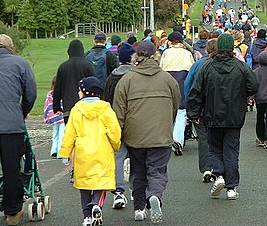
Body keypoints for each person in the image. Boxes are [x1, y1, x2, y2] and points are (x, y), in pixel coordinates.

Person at [113, 41, 181, 223]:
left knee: (138, 172)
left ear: (136, 56)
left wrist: (117, 134)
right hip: (161, 134)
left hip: (134, 136)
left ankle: (139, 208)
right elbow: (176, 104)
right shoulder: (167, 79)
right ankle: (155, 196)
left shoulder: (126, 80)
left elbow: (118, 110)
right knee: (157, 171)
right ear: (155, 56)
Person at [187, 34, 259, 200]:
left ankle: (218, 175)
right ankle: (231, 187)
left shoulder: (207, 66)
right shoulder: (240, 66)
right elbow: (253, 85)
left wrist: (194, 113)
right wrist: (244, 95)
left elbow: (196, 91)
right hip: (234, 114)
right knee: (231, 149)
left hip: (212, 114)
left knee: (214, 147)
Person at [0, 34, 37, 226]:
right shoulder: (20, 63)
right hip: (11, 125)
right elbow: (30, 93)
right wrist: (21, 112)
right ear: (11, 47)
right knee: (11, 168)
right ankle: (12, 211)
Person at [60, 76, 121, 226]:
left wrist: (65, 153)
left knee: (84, 185)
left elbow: (69, 133)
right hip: (103, 150)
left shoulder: (76, 110)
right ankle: (96, 205)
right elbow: (114, 131)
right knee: (101, 184)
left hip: (83, 152)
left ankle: (86, 216)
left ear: (84, 92)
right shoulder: (106, 109)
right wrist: (116, 145)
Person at [103, 42, 136, 210]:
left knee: (118, 156)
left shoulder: (112, 77)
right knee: (138, 157)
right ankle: (136, 189)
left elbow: (106, 101)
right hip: (135, 122)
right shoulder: (136, 76)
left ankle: (118, 191)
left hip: (116, 122)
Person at [185, 40, 217, 182]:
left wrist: (191, 107)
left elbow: (188, 85)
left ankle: (206, 168)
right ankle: (219, 168)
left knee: (203, 139)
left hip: (201, 108)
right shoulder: (226, 63)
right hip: (220, 108)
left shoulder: (198, 65)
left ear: (206, 51)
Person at [160, 31, 195, 156]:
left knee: (167, 112)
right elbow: (191, 71)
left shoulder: (166, 53)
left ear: (170, 41)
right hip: (182, 83)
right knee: (181, 113)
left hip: (167, 83)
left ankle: (165, 139)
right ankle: (177, 140)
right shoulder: (187, 54)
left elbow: (161, 68)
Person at [54, 39, 94, 125]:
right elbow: (93, 86)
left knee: (70, 135)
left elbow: (57, 89)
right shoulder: (88, 66)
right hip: (85, 108)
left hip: (68, 107)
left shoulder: (63, 67)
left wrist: (56, 107)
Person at [43, 76, 64, 159]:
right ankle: (60, 152)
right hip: (61, 117)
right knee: (61, 134)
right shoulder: (62, 94)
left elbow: (46, 107)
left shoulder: (50, 95)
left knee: (55, 134)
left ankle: (53, 150)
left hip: (53, 117)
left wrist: (46, 117)